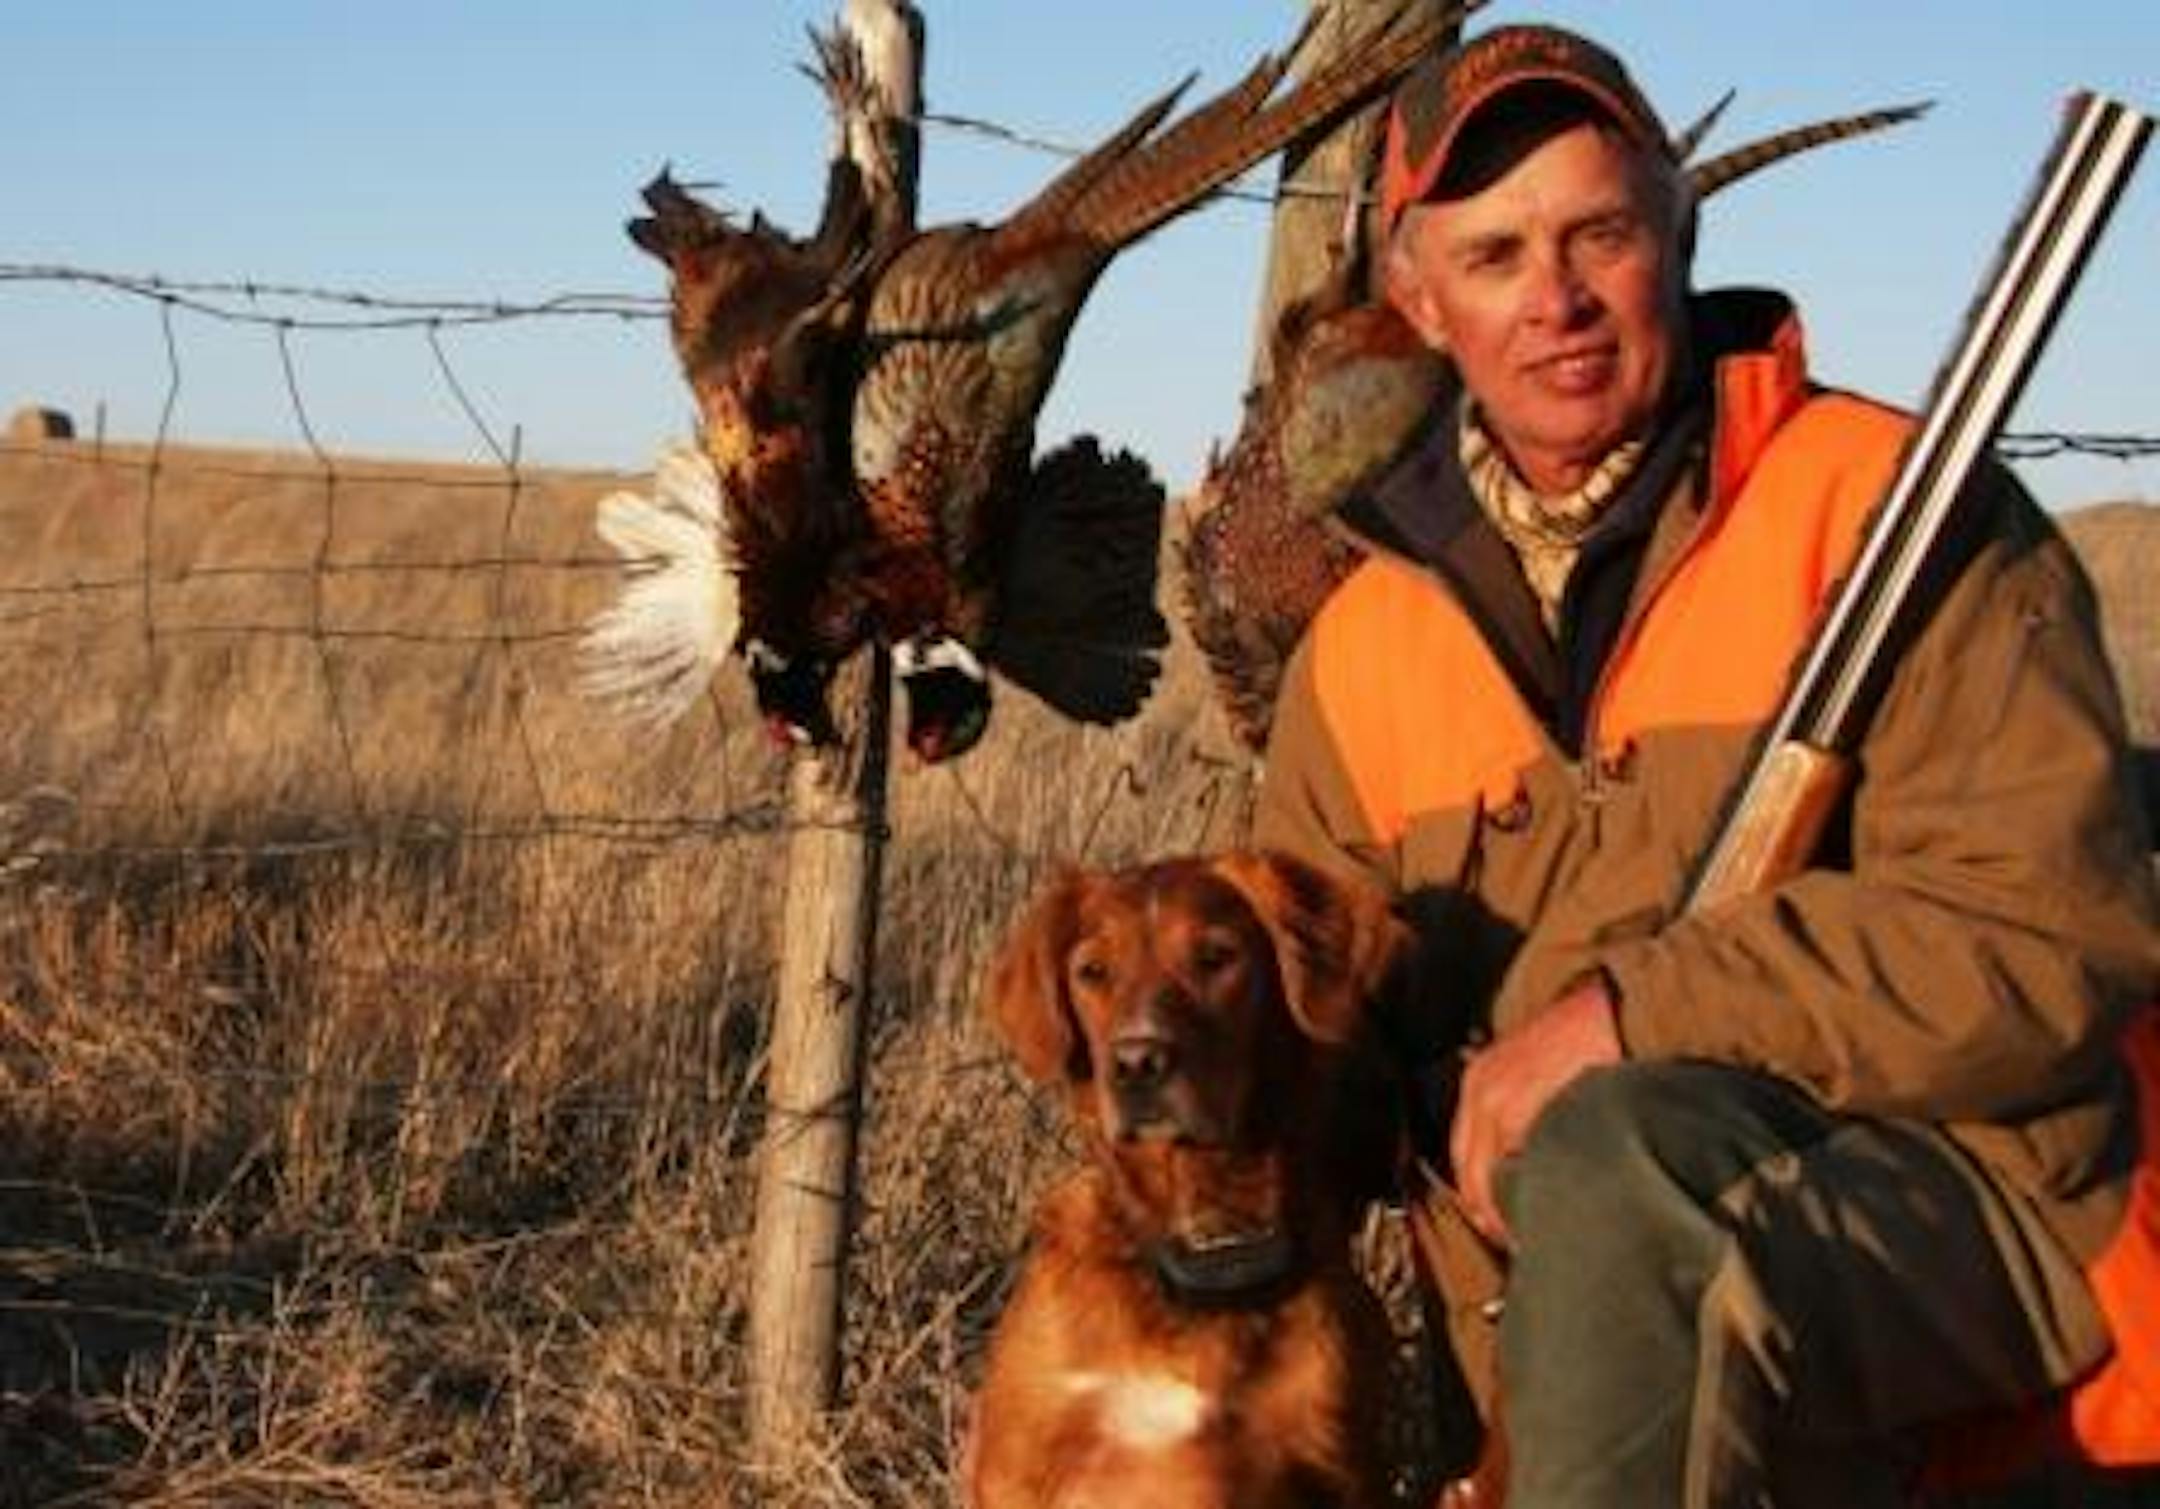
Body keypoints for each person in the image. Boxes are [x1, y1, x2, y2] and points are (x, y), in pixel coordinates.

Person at [1252, 22, 2160, 1507]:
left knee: (1619, 1165)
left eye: (1598, 232)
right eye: (1492, 257)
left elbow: (2046, 934)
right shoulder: (1361, 654)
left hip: (1971, 1222)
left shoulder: (1892, 514)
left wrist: (1628, 1012)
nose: (1555, 300)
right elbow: (1308, 1041)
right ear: (1415, 302)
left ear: (1675, 234)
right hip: (1552, 1318)